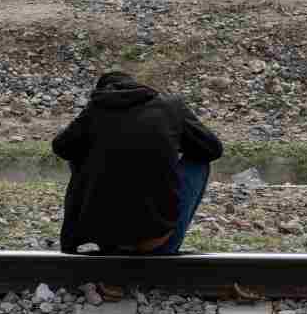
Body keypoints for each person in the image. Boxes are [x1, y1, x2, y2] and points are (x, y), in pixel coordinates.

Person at [52, 72, 223, 255]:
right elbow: (212, 149)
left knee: (76, 151)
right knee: (199, 163)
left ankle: (108, 239)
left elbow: (61, 147)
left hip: (105, 241)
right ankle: (162, 245)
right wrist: (166, 147)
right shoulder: (170, 107)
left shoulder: (95, 109)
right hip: (155, 241)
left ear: (102, 92)